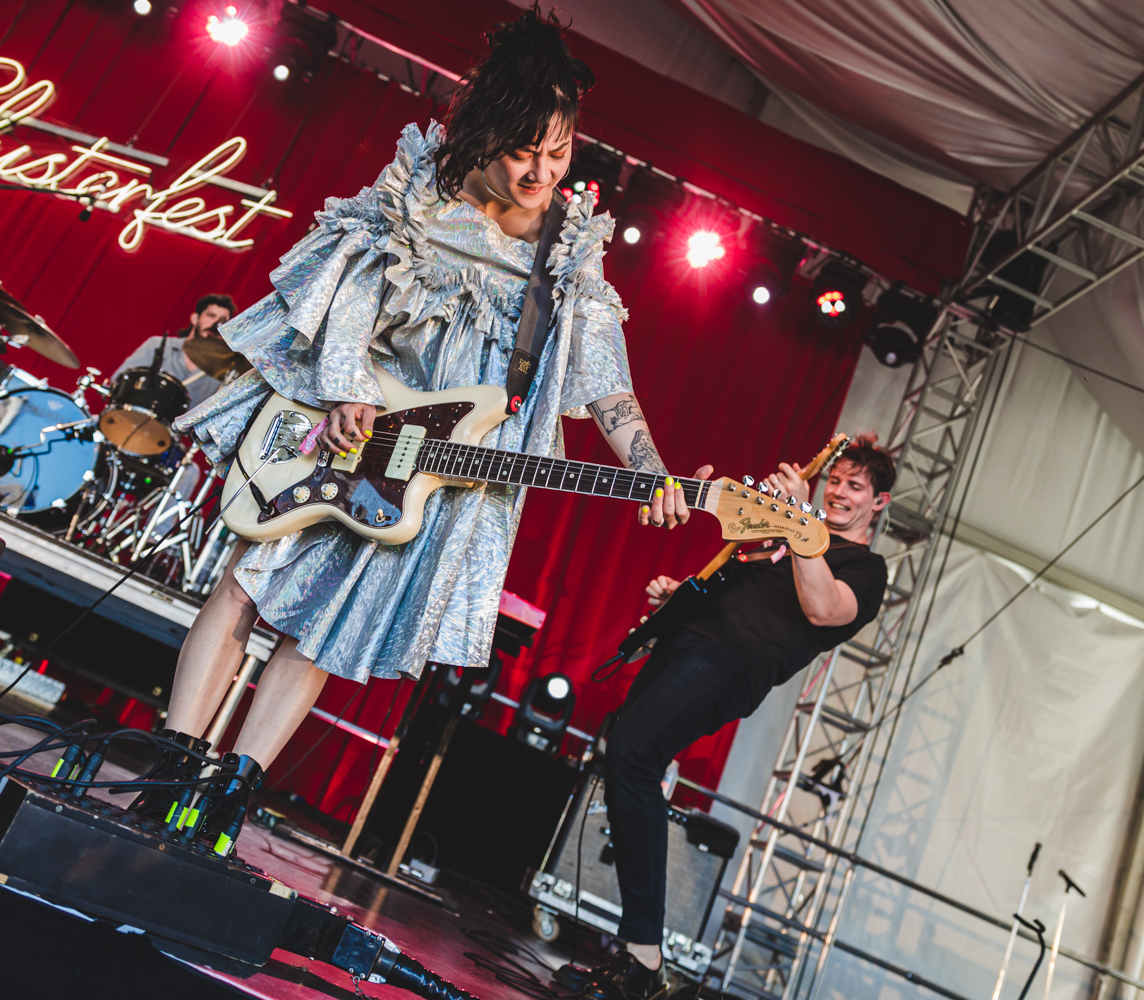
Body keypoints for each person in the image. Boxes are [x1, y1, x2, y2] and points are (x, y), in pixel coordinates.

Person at [134, 4, 708, 858]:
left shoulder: (566, 252)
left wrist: (655, 469)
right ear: (489, 130)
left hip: (429, 469)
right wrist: (343, 390)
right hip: (341, 426)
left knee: (324, 625)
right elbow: (348, 296)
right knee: (247, 585)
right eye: (526, 150)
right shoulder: (416, 193)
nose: (542, 173)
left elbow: (606, 380)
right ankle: (170, 765)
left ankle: (228, 795)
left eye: (559, 154)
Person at [568, 436, 893, 999]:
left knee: (634, 757)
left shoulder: (864, 566)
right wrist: (681, 600)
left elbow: (823, 608)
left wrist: (798, 523)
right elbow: (740, 590)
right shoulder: (790, 539)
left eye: (854, 486)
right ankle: (636, 956)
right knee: (622, 757)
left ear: (878, 503)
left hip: (732, 664)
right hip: (691, 641)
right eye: (835, 480)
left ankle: (645, 958)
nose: (839, 491)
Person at [111, 293, 237, 408]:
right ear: (194, 318)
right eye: (211, 316)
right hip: (131, 417)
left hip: (171, 432)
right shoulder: (158, 345)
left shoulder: (223, 373)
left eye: (223, 322)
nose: (216, 324)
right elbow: (118, 381)